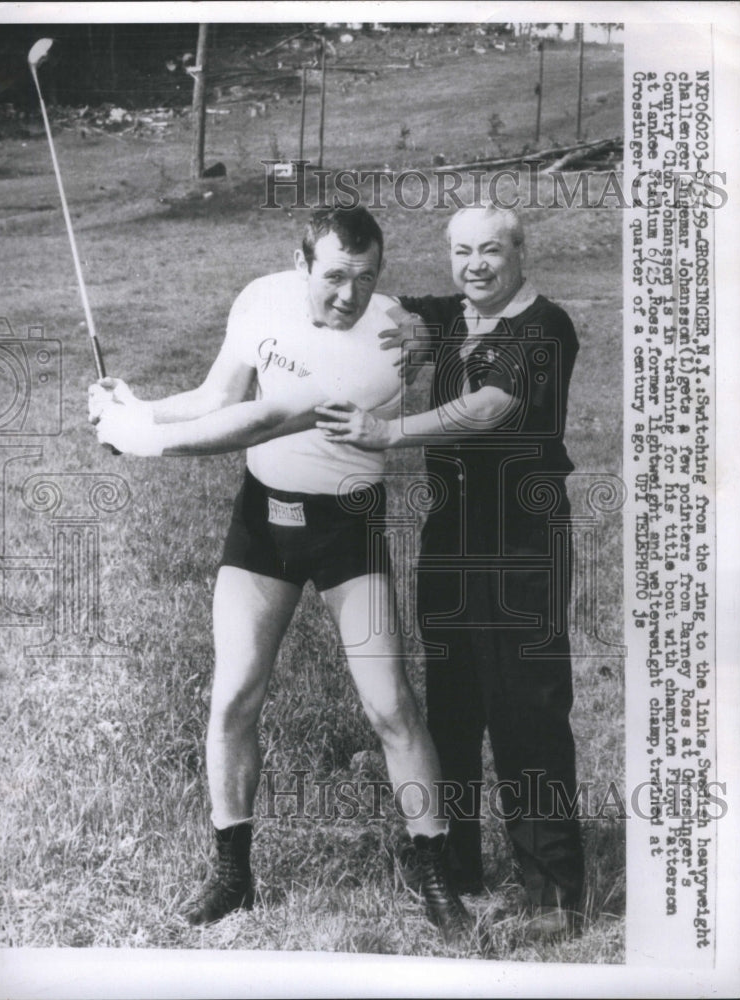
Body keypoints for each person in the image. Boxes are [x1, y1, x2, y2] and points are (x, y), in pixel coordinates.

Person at [88, 207, 470, 942]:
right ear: (300, 266)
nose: (349, 296)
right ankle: (232, 873)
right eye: (333, 277)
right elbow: (218, 398)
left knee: (390, 705)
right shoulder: (259, 298)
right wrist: (134, 409)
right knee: (233, 695)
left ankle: (435, 871)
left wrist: (138, 440)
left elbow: (263, 421)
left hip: (346, 527)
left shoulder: (383, 342)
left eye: (366, 279)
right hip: (262, 520)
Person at [315, 204, 584, 939]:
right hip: (450, 539)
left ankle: (555, 893)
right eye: (462, 251)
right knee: (455, 710)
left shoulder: (543, 329)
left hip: (521, 543)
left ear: (520, 253)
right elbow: (380, 305)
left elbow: (489, 406)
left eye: (491, 251)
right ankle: (458, 865)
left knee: (526, 711)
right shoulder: (453, 313)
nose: (475, 265)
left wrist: (388, 431)